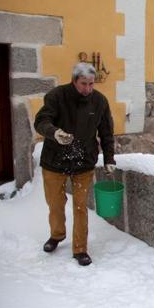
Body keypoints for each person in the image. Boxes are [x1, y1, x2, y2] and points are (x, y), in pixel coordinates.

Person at [34, 62, 116, 266]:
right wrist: (54, 133)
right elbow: (41, 121)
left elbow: (106, 132)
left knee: (81, 207)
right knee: (55, 203)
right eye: (83, 84)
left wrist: (109, 158)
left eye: (91, 84)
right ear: (74, 81)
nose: (88, 89)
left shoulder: (100, 101)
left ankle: (80, 249)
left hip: (84, 160)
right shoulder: (56, 96)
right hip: (55, 159)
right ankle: (57, 234)